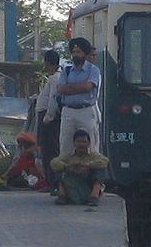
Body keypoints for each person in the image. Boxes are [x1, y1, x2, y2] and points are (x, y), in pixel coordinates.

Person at [58, 38, 101, 157]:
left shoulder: (93, 70)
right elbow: (61, 89)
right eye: (74, 52)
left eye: (79, 52)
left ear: (85, 53)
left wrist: (70, 88)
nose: (76, 55)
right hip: (68, 111)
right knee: (66, 145)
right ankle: (66, 173)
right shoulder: (66, 71)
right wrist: (80, 88)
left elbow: (88, 87)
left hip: (86, 111)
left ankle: (92, 173)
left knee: (90, 146)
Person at [50, 129, 109, 206]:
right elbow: (53, 162)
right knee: (58, 169)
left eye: (84, 142)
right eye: (78, 142)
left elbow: (105, 161)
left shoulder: (93, 155)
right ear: (74, 143)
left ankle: (94, 196)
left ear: (88, 143)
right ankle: (62, 196)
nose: (81, 144)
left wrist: (87, 165)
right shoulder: (68, 156)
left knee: (100, 169)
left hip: (87, 185)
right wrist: (68, 166)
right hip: (72, 184)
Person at [35, 50, 62, 190]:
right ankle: (50, 181)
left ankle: (53, 182)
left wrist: (48, 117)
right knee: (46, 150)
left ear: (48, 62)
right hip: (45, 116)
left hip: (48, 119)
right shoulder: (53, 78)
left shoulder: (56, 78)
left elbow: (53, 99)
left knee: (50, 151)